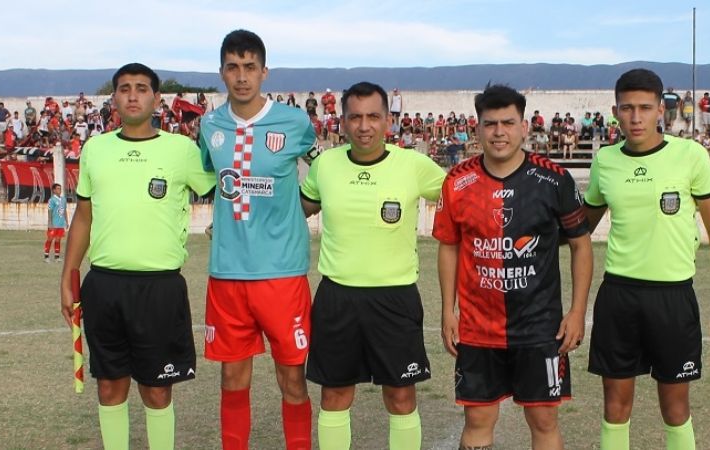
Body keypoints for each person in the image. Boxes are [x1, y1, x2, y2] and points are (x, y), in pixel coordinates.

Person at [59, 63, 215, 450]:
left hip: (160, 287)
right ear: (113, 98)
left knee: (157, 390)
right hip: (104, 284)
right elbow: (84, 216)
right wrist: (68, 274)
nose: (133, 95)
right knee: (109, 387)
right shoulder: (96, 149)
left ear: (156, 98)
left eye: (142, 88)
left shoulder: (181, 150)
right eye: (125, 88)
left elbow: (222, 192)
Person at [583, 68, 710, 450]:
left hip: (673, 297)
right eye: (627, 108)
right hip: (619, 296)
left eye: (645, 108)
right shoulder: (606, 161)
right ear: (615, 112)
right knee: (615, 407)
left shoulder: (690, 155)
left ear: (660, 111)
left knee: (675, 408)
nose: (636, 117)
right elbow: (579, 228)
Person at [433, 84, 592, 450]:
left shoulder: (554, 179)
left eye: (508, 123)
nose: (499, 132)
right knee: (478, 419)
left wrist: (577, 311)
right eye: (490, 124)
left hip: (540, 327)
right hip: (477, 327)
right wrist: (447, 310)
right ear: (477, 129)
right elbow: (448, 247)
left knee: (544, 420)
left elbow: (581, 246)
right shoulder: (457, 181)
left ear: (524, 127)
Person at [300, 81, 445, 450]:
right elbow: (299, 209)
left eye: (373, 117)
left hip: (395, 297)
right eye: (355, 117)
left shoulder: (413, 165)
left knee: (401, 397)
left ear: (388, 121)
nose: (364, 126)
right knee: (334, 395)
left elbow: (460, 195)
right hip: (337, 296)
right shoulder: (325, 165)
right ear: (342, 122)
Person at [197, 29, 318, 450]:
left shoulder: (295, 123)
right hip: (227, 272)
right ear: (221, 73)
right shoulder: (209, 125)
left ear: (265, 72)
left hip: (282, 274)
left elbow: (324, 172)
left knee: (292, 378)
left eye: (250, 67)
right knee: (232, 377)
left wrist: (303, 207)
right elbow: (207, 177)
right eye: (233, 67)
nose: (242, 76)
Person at [44, 183, 68, 262]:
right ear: (54, 190)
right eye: (58, 189)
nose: (59, 190)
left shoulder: (63, 199)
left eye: (60, 188)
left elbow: (64, 211)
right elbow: (50, 212)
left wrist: (66, 221)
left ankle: (57, 257)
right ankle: (46, 256)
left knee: (58, 240)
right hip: (54, 224)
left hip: (61, 224)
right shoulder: (51, 200)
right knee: (50, 239)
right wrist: (50, 223)